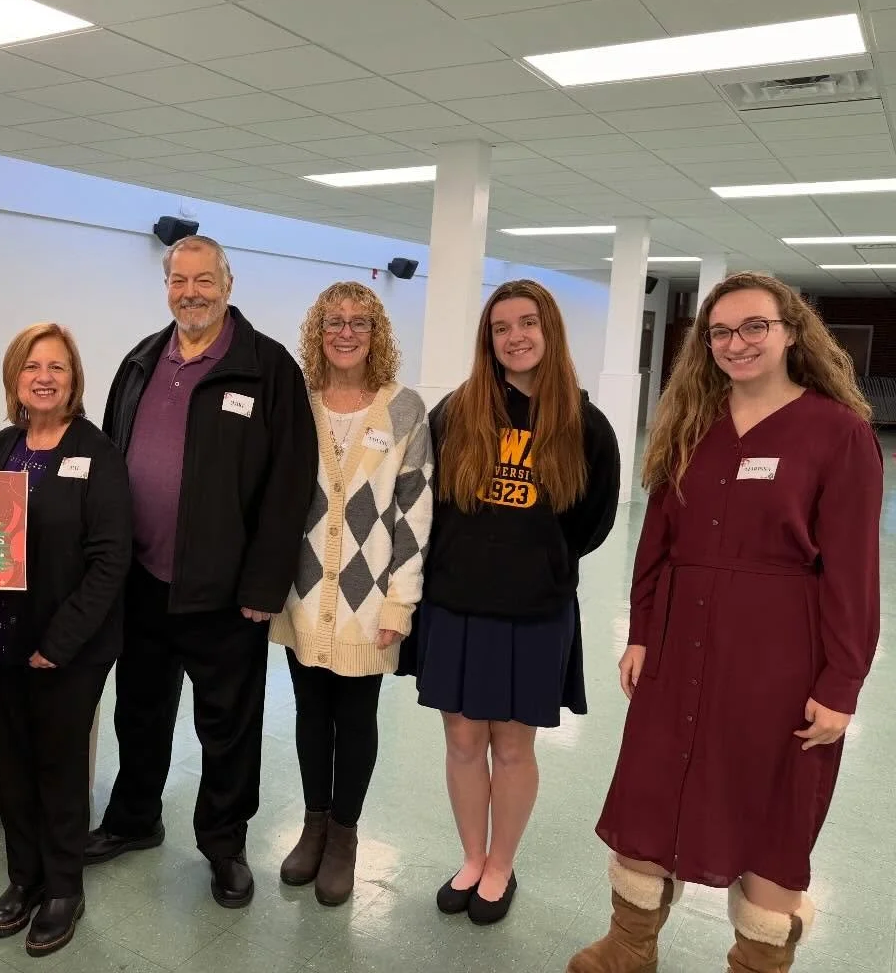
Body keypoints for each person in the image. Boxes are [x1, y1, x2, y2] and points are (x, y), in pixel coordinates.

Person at [568, 273, 882, 973]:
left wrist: (842, 683)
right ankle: (628, 945)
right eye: (720, 332)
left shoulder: (839, 433)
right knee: (650, 787)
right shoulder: (690, 425)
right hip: (679, 644)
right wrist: (642, 631)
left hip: (777, 658)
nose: (735, 343)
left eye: (753, 328)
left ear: (791, 332)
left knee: (772, 808)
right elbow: (658, 543)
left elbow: (854, 573)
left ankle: (758, 961)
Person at [84, 235, 318, 908]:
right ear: (166, 287)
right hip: (144, 583)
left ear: (228, 283)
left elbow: (289, 483)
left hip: (226, 595)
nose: (191, 292)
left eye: (204, 279)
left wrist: (264, 585)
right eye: (178, 280)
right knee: (141, 712)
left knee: (228, 727)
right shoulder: (139, 362)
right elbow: (109, 465)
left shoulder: (267, 368)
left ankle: (224, 845)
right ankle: (134, 820)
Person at [401, 278, 619, 926]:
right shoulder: (456, 412)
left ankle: (501, 865)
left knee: (514, 746)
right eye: (501, 327)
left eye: (528, 323)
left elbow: (593, 521)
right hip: (456, 603)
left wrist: (537, 562)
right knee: (463, 738)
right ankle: (471, 858)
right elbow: (427, 505)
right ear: (488, 340)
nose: (515, 336)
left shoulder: (585, 425)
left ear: (548, 331)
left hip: (533, 609)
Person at [0, 323, 131, 958]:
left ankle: (63, 887)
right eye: (32, 367)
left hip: (67, 649)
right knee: (12, 765)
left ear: (73, 379)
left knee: (58, 767)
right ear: (15, 379)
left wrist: (59, 642)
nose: (45, 377)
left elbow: (112, 560)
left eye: (57, 367)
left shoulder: (97, 453)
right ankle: (23, 877)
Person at [270, 282, 433, 907]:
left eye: (359, 322)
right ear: (318, 332)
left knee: (355, 717)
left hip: (369, 600)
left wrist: (400, 602)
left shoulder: (404, 409)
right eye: (333, 322)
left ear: (376, 333)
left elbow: (415, 514)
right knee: (310, 712)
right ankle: (313, 825)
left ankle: (344, 839)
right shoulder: (297, 402)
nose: (345, 332)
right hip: (302, 594)